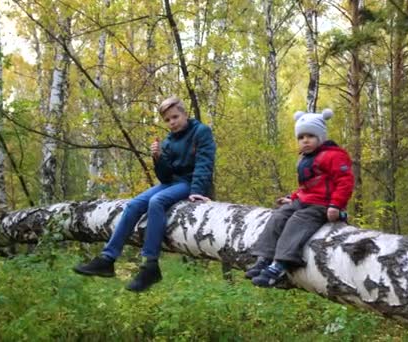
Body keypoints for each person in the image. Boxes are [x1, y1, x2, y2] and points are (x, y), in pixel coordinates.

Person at [74, 96, 216, 292]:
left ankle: (150, 265)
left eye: (175, 117)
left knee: (156, 202)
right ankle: (107, 259)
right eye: (167, 120)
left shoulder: (201, 131)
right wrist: (157, 158)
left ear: (185, 114)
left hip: (190, 182)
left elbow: (205, 163)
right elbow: (165, 176)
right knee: (133, 205)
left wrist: (197, 192)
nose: (171, 122)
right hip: (172, 183)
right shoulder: (167, 142)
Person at [246, 109, 354, 287]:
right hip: (304, 201)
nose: (305, 140)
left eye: (310, 135)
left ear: (321, 136)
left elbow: (345, 182)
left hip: (322, 205)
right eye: (301, 137)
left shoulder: (334, 155)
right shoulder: (305, 158)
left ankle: (280, 265)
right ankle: (264, 257)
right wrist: (292, 197)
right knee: (279, 215)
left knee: (296, 221)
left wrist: (336, 205)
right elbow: (307, 186)